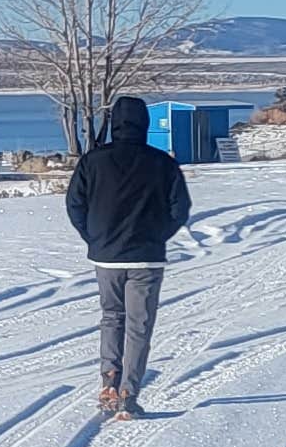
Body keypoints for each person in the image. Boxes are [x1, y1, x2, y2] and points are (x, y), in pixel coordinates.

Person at [63, 94, 192, 419]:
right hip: (146, 257)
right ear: (145, 124)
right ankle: (128, 394)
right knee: (139, 326)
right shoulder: (163, 162)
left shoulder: (93, 160)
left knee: (111, 317)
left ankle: (109, 377)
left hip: (106, 257)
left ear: (114, 123)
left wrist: (93, 237)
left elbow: (75, 205)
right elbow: (180, 209)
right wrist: (158, 235)